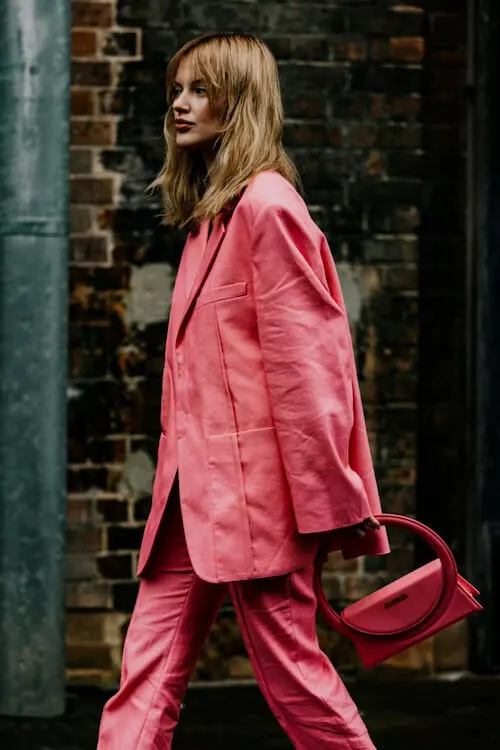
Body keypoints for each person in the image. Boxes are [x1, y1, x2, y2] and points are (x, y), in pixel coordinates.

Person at [96, 32, 390, 750]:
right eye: (176, 91)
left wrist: (331, 506)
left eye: (199, 90)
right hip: (188, 502)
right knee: (146, 670)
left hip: (257, 504)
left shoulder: (267, 206)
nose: (179, 105)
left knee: (295, 675)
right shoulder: (209, 216)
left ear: (239, 101)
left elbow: (311, 372)